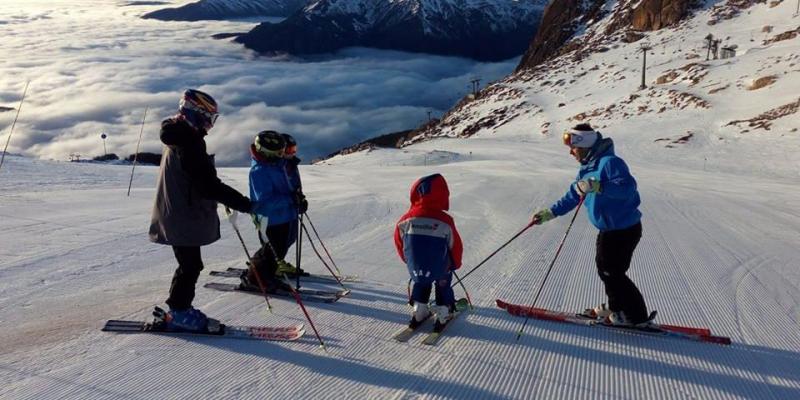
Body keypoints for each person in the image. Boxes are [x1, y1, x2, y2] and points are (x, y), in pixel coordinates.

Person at [149, 89, 252, 332]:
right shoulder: (188, 142)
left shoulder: (180, 135)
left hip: (178, 210)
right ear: (195, 114)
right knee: (190, 265)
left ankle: (179, 308)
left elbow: (200, 180)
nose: (210, 125)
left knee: (190, 264)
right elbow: (206, 184)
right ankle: (179, 312)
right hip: (182, 213)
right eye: (209, 118)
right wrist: (243, 203)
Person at [530, 123, 648, 327]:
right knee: (605, 270)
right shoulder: (587, 169)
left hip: (624, 230)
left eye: (573, 148)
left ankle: (636, 316)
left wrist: (601, 186)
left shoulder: (611, 163)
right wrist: (549, 213)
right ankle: (616, 307)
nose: (571, 153)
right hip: (608, 230)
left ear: (584, 145)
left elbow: (628, 188)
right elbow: (572, 196)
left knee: (613, 272)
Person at [394, 174, 463, 332]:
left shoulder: (406, 220)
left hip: (417, 266)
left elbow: (399, 242)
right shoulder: (445, 221)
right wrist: (455, 264)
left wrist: (408, 260)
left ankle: (419, 310)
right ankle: (444, 311)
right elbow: (455, 246)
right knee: (443, 282)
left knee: (421, 281)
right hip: (441, 267)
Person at [241, 130, 300, 293]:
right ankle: (254, 278)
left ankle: (268, 275)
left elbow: (287, 187)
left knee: (280, 248)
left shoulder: (277, 165)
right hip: (270, 219)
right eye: (279, 152)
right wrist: (290, 200)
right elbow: (264, 201)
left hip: (284, 216)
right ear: (267, 153)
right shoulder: (259, 171)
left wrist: (297, 199)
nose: (282, 155)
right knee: (270, 251)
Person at [274, 132, 309, 277]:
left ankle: (275, 261)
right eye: (289, 150)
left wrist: (300, 198)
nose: (292, 153)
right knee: (275, 239)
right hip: (276, 210)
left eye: (294, 150)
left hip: (291, 207)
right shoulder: (275, 166)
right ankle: (270, 263)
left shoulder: (290, 164)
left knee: (291, 236)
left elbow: (294, 184)